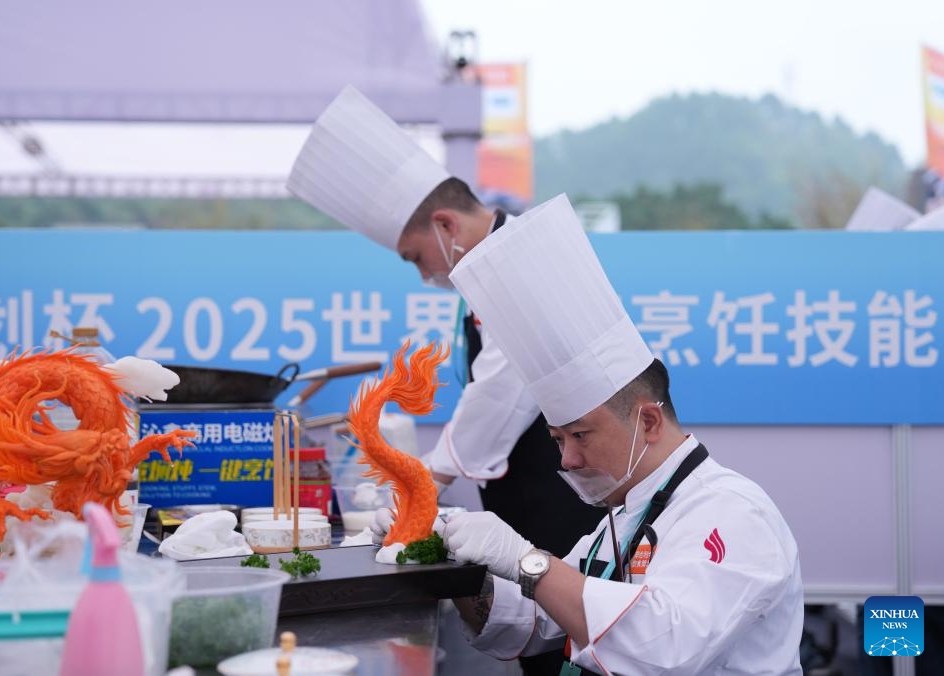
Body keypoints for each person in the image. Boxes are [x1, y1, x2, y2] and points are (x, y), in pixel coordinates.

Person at [287, 87, 606, 673]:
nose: (423, 272)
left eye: (415, 256)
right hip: (525, 506)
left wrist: (426, 473)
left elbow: (506, 387)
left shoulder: (519, 262)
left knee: (577, 650)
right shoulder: (488, 274)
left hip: (566, 507)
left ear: (444, 224)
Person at [426, 194, 804, 674]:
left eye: (580, 436)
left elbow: (663, 649)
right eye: (558, 440)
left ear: (647, 421)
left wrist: (528, 561)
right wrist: (451, 565)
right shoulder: (618, 522)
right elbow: (529, 624)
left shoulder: (731, 513)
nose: (568, 460)